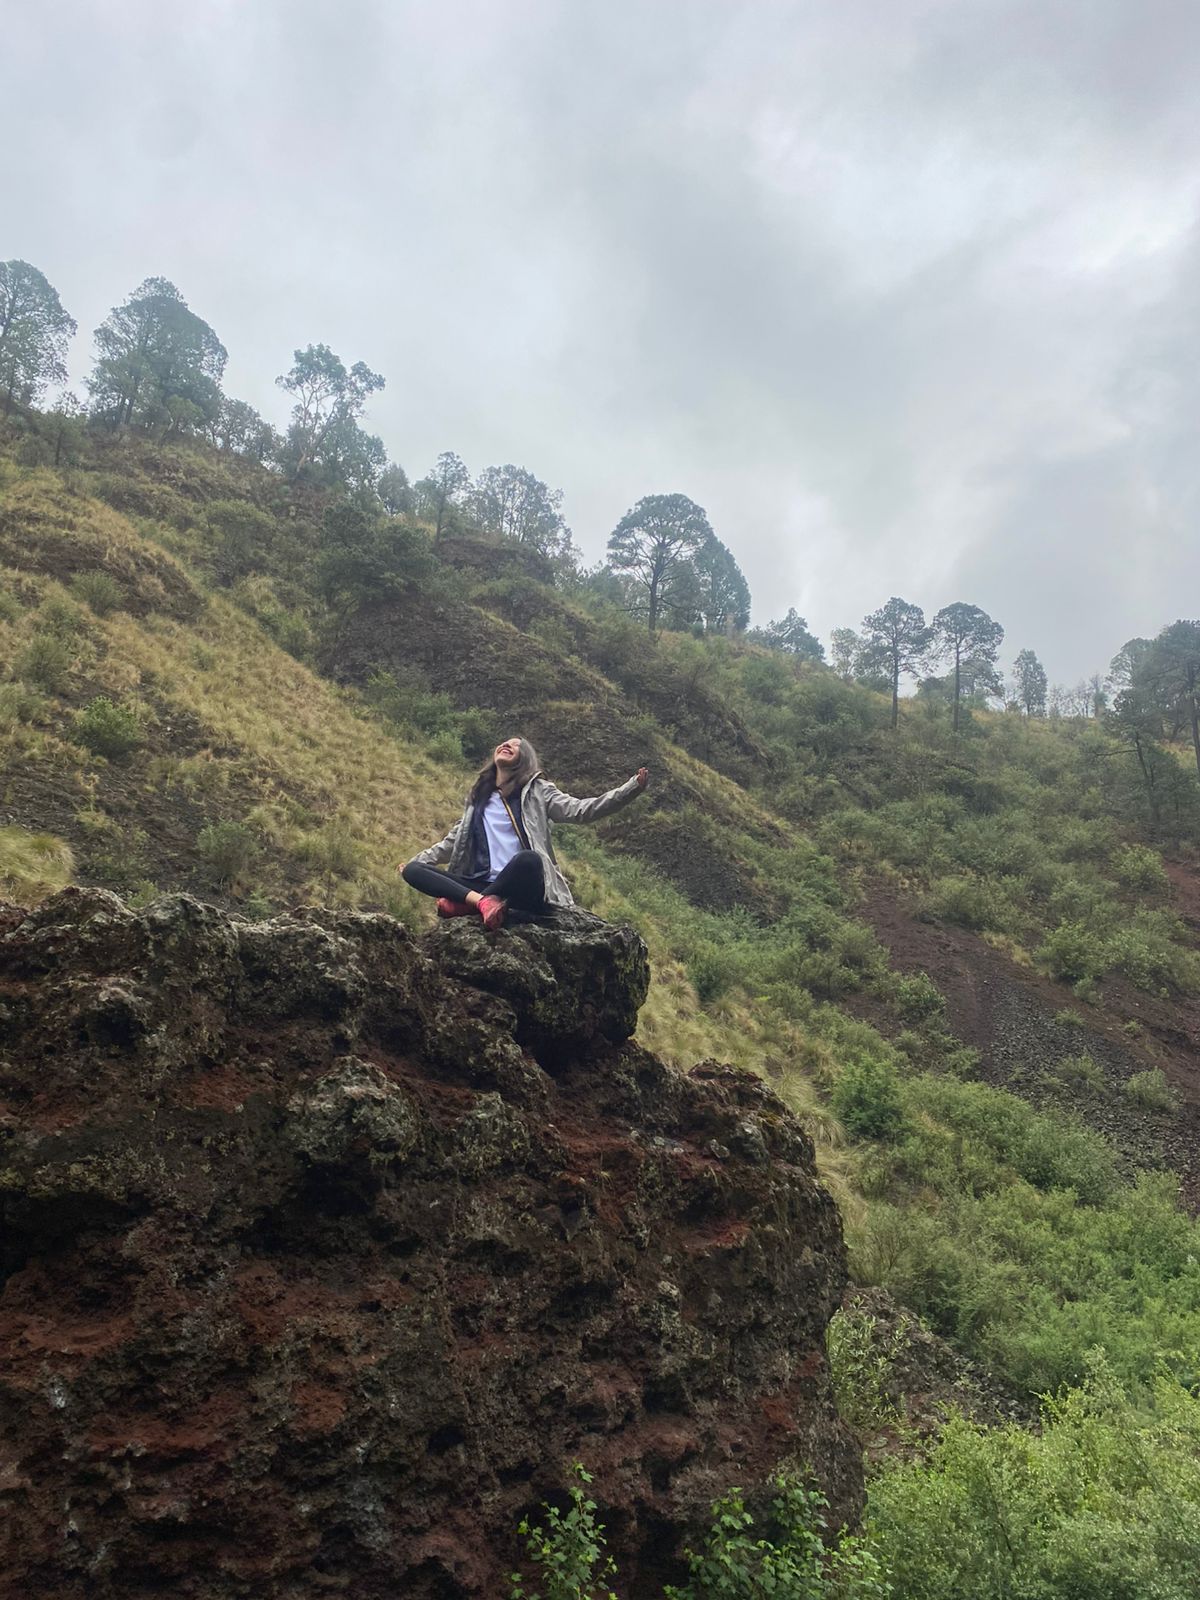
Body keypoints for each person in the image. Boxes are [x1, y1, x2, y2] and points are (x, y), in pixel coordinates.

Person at [400, 735, 649, 929]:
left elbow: (582, 810)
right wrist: (419, 862)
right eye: (505, 742)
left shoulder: (539, 790)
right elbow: (452, 843)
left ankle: (466, 903)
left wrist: (630, 789)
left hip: (520, 886)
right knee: (414, 870)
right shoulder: (478, 799)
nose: (508, 744)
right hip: (480, 881)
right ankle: (481, 903)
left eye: (516, 745)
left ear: (525, 759)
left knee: (529, 860)